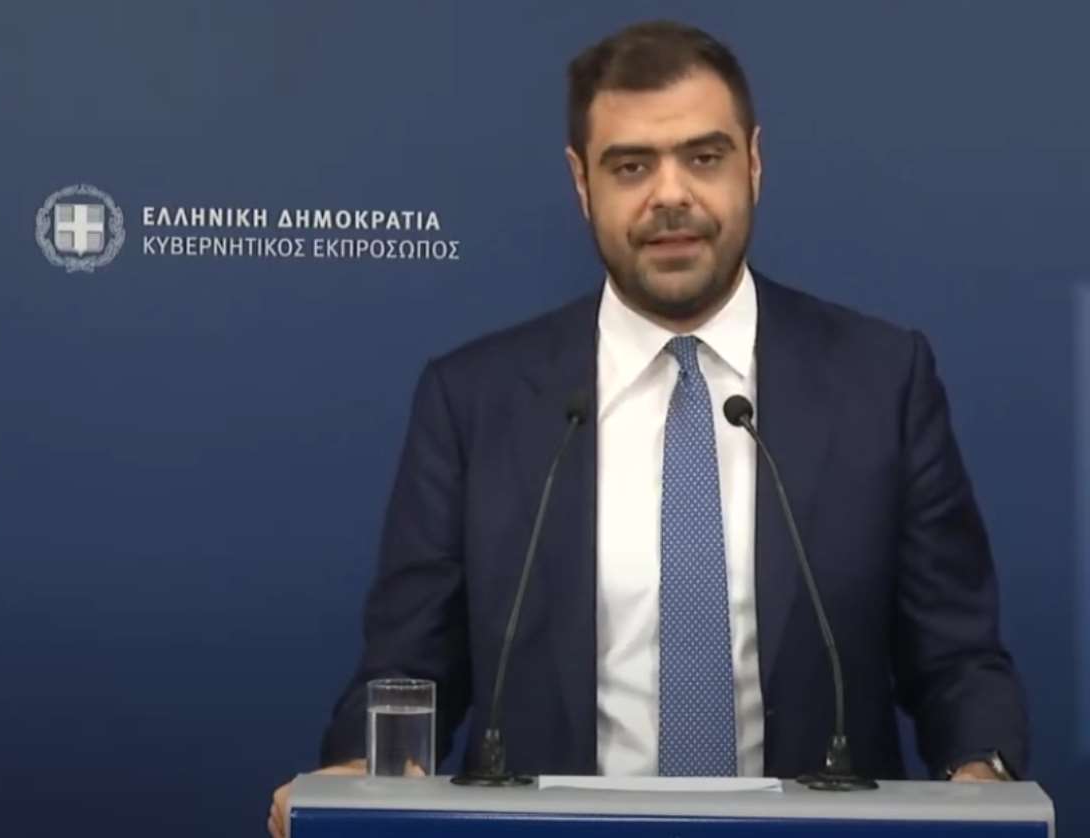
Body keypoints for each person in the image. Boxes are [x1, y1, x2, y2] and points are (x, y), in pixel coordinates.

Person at [267, 19, 1028, 838]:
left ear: (754, 164)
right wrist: (359, 774)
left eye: (704, 158)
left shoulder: (882, 381)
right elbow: (408, 669)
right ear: (581, 183)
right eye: (631, 166)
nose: (671, 195)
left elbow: (956, 659)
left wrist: (980, 777)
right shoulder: (475, 400)